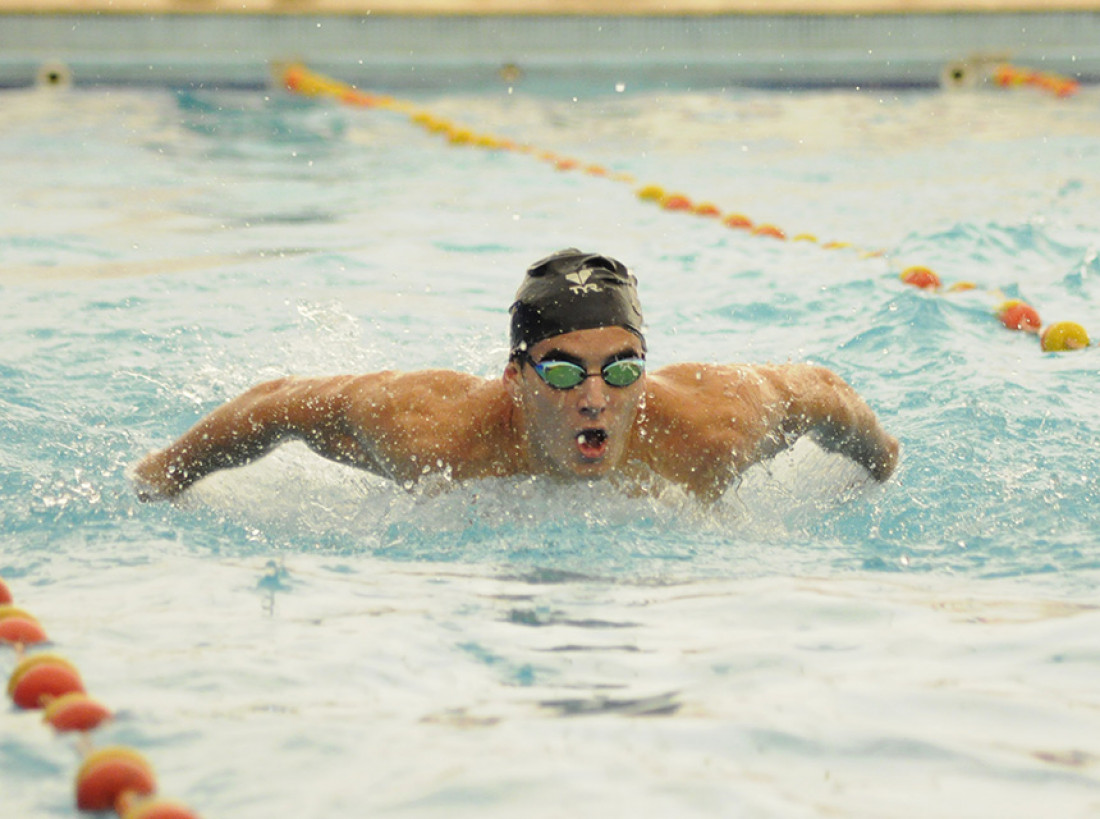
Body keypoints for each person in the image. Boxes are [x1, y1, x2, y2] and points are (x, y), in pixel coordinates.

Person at [133, 249, 899, 504]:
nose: (595, 396)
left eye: (620, 369)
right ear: (515, 378)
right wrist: (164, 475)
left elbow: (822, 393)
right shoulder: (438, 433)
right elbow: (281, 405)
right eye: (563, 371)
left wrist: (882, 461)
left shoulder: (707, 430)